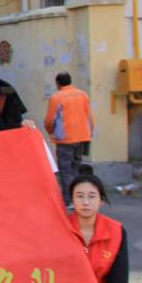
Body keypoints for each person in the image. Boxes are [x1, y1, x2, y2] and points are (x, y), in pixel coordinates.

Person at [45, 72, 96, 206]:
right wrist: (89, 132)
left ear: (58, 83)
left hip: (65, 139)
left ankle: (69, 200)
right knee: (76, 168)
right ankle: (79, 197)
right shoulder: (83, 95)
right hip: (82, 137)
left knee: (65, 170)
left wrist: (51, 132)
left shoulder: (56, 97)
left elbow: (49, 120)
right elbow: (90, 117)